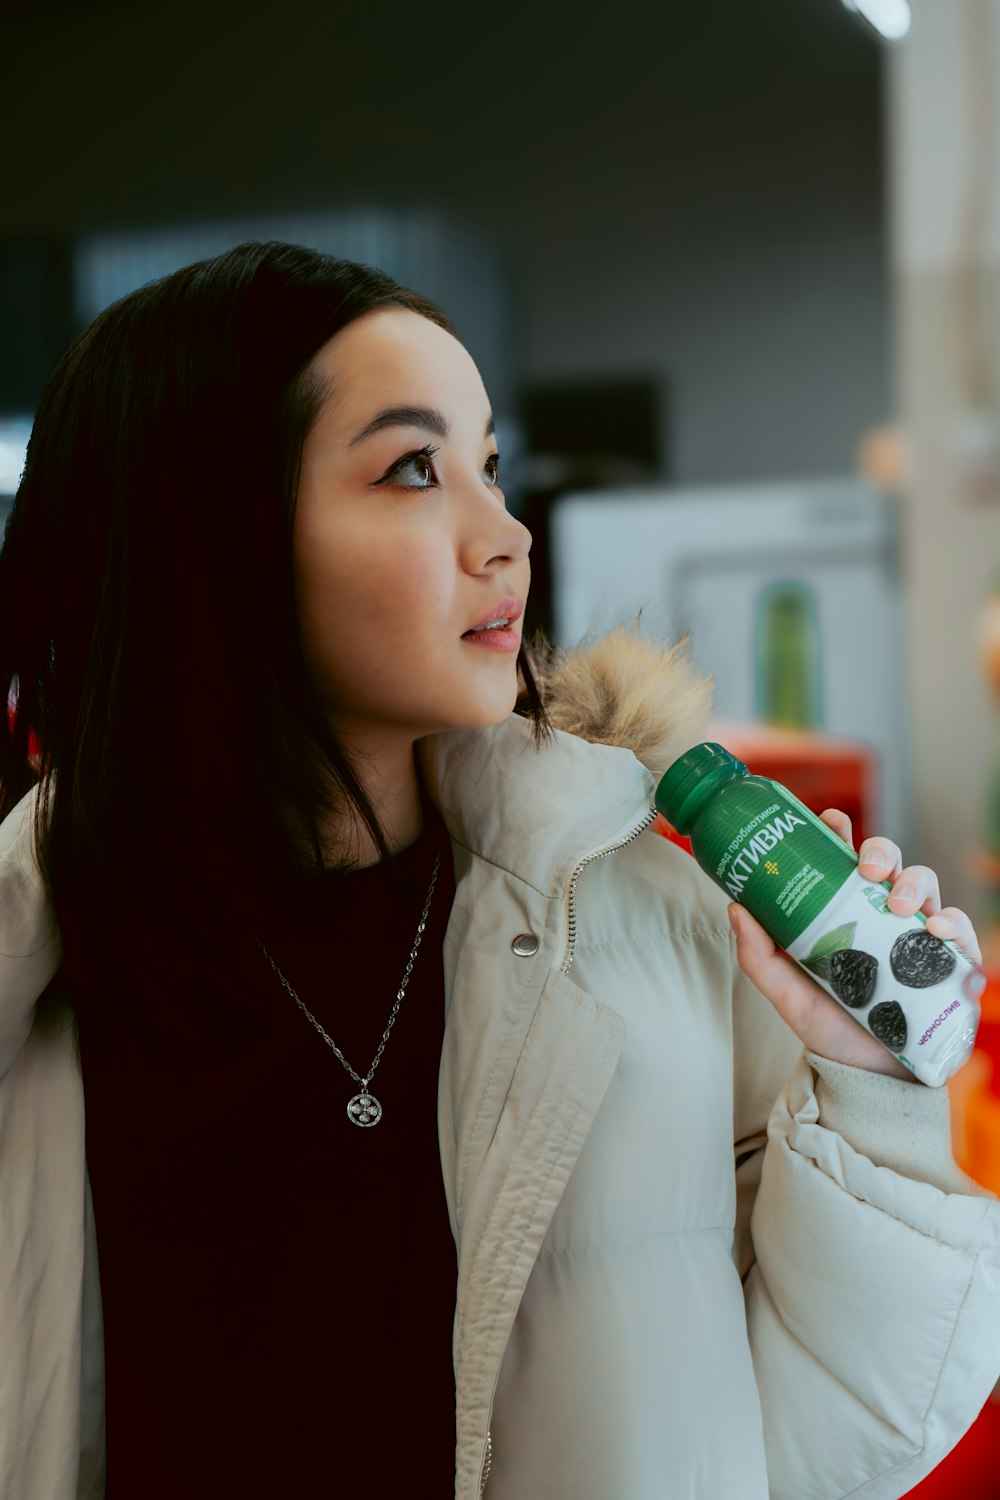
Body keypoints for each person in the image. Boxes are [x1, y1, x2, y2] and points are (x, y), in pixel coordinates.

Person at [0, 241, 996, 1500]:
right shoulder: (35, 970)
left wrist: (872, 1097)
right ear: (211, 531)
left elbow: (832, 1437)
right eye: (414, 469)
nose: (507, 537)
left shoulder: (646, 917)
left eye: (489, 464)